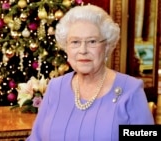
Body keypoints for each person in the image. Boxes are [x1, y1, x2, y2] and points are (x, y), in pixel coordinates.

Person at [27, 4, 154, 141]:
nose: (83, 50)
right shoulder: (55, 87)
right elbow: (36, 138)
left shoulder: (130, 90)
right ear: (66, 48)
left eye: (92, 41)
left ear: (107, 47)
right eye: (75, 42)